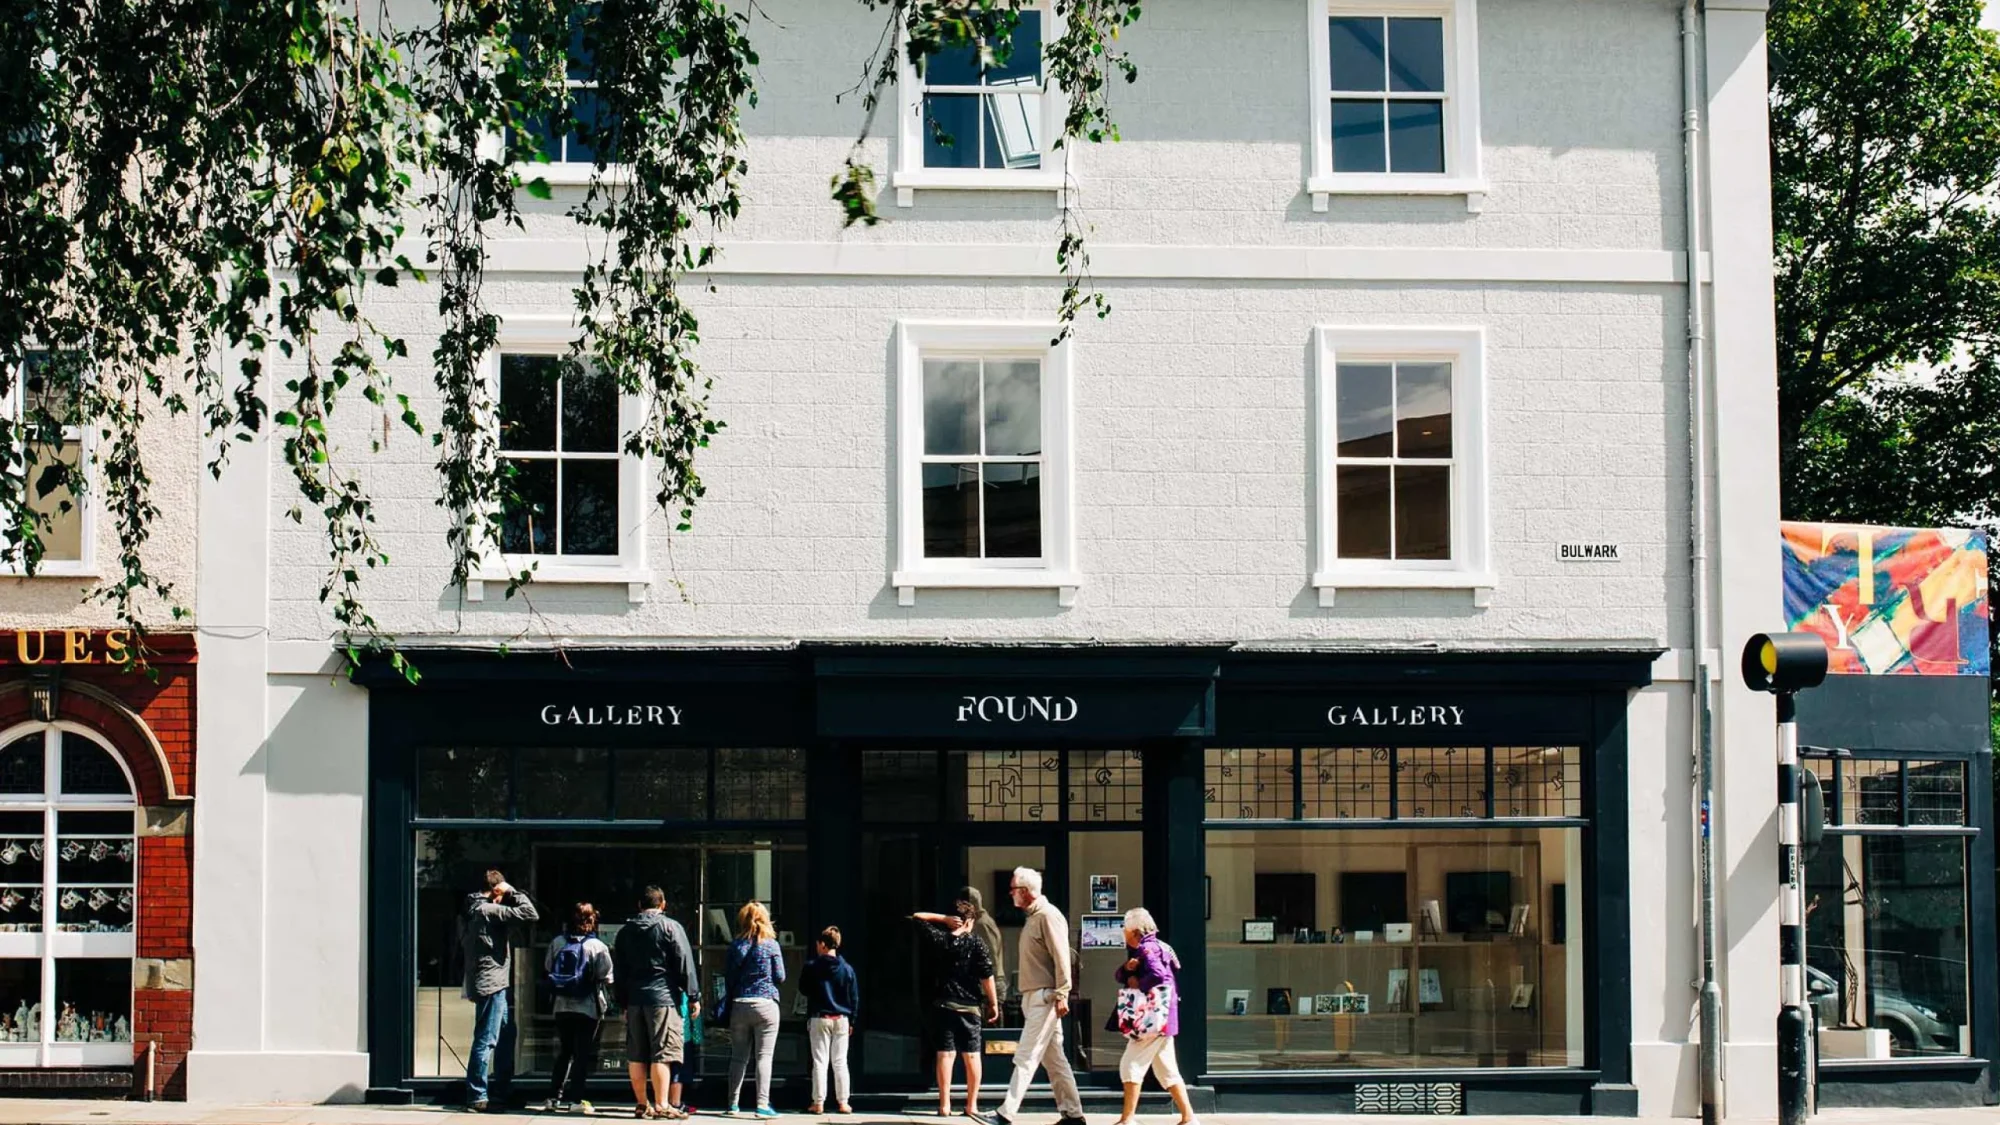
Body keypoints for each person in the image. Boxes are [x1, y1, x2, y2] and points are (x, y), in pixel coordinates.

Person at [994, 867, 1085, 1125]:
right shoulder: (1034, 917)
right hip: (1035, 996)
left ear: (1025, 892)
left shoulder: (1048, 916)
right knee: (1055, 1061)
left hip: (1045, 997)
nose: (1011, 893)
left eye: (1013, 889)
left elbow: (1061, 956)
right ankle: (1074, 1114)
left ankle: (1006, 1112)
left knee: (1026, 1055)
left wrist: (1062, 993)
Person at [912, 890, 1001, 1120]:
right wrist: (993, 1003)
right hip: (970, 1006)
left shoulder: (940, 939)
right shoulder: (976, 943)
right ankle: (971, 1105)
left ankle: (944, 1105)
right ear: (970, 920)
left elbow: (917, 917)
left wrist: (943, 919)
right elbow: (986, 975)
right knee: (972, 1056)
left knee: (945, 1054)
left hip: (945, 1005)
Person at [613, 885, 698, 1120]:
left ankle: (642, 1104)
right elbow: (684, 962)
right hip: (662, 998)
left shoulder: (625, 931)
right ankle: (662, 1104)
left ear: (640, 906)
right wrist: (693, 996)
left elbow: (619, 970)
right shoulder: (670, 927)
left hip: (634, 999)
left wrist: (622, 1001)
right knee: (663, 1053)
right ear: (662, 905)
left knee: (636, 1054)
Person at [461, 869, 539, 1113]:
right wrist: (512, 892)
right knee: (487, 1039)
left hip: (494, 982)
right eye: (502, 892)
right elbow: (530, 914)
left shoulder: (477, 908)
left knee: (506, 1034)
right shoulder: (488, 910)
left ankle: (502, 1090)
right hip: (491, 983)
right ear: (496, 890)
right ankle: (477, 1095)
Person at [1111, 908, 1198, 1125]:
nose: (1123, 933)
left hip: (1151, 1019)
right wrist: (1128, 969)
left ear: (1135, 931)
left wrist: (1138, 984)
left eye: (1125, 928)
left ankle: (1128, 1119)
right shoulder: (1160, 946)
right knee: (1167, 1070)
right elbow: (1121, 975)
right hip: (1164, 1018)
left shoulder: (1147, 949)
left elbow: (1158, 975)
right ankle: (1189, 1117)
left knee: (1130, 1064)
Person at [544, 902, 615, 1114]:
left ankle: (552, 1097)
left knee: (564, 1052)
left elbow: (548, 967)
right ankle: (576, 1100)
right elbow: (607, 976)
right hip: (588, 1006)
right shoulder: (597, 946)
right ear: (592, 921)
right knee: (581, 1053)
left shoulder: (558, 942)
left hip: (561, 1005)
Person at [724, 901, 787, 1117]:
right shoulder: (771, 945)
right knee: (764, 1057)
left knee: (739, 1057)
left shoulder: (736, 945)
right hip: (766, 1004)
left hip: (740, 1004)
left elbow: (729, 977)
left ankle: (732, 1104)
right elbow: (780, 976)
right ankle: (762, 1105)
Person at [799, 925, 859, 1115]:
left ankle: (818, 1102)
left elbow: (803, 989)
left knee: (820, 1062)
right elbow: (854, 997)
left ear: (823, 944)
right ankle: (843, 1102)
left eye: (818, 944)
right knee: (840, 1061)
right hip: (841, 1018)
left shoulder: (811, 967)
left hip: (820, 1017)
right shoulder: (847, 969)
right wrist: (852, 1021)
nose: (817, 947)